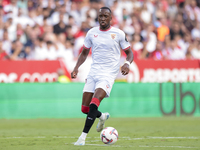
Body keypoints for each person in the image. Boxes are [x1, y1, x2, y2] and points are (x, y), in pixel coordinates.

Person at [71, 7, 133, 146]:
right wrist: (76, 68)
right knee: (85, 109)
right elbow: (84, 52)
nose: (103, 19)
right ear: (98, 17)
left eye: (105, 16)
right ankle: (102, 116)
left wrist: (127, 64)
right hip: (93, 72)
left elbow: (130, 53)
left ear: (111, 18)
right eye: (100, 16)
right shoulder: (92, 33)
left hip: (108, 74)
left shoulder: (118, 33)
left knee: (94, 103)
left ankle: (82, 138)